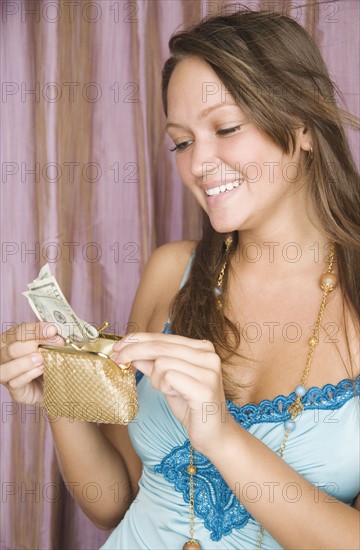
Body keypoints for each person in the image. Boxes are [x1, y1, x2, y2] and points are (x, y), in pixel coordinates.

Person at [1, 8, 359, 550]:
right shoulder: (173, 271)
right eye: (182, 141)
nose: (198, 163)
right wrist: (63, 394)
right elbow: (117, 499)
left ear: (303, 126)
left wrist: (220, 435)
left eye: (227, 128)